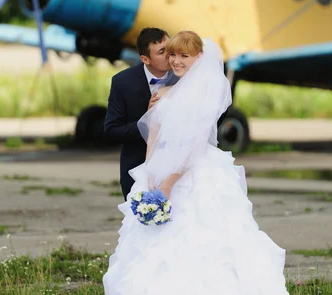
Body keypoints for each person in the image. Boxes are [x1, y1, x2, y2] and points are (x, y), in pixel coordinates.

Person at [103, 31, 289, 295]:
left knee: (200, 237)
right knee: (154, 244)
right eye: (172, 55)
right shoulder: (166, 90)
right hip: (159, 170)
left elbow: (193, 145)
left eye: (183, 56)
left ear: (198, 58)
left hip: (192, 172)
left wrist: (167, 184)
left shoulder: (205, 91)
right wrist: (150, 173)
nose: (176, 61)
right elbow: (153, 132)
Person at [104, 27, 179, 201]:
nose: (170, 55)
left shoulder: (185, 76)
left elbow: (216, 110)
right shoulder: (122, 82)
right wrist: (147, 120)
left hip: (179, 171)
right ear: (145, 59)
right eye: (162, 52)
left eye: (170, 48)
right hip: (139, 169)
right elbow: (111, 131)